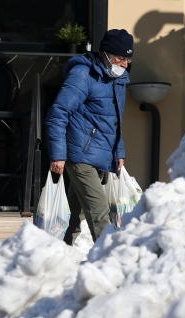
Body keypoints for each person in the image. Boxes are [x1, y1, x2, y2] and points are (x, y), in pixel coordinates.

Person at [46, 29, 133, 244]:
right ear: (105, 54)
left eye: (128, 59)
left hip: (101, 155)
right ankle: (110, 262)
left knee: (76, 217)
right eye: (121, 58)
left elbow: (114, 121)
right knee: (99, 214)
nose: (125, 64)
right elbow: (58, 114)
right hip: (80, 155)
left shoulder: (117, 79)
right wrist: (57, 155)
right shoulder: (83, 74)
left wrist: (118, 152)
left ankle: (59, 256)